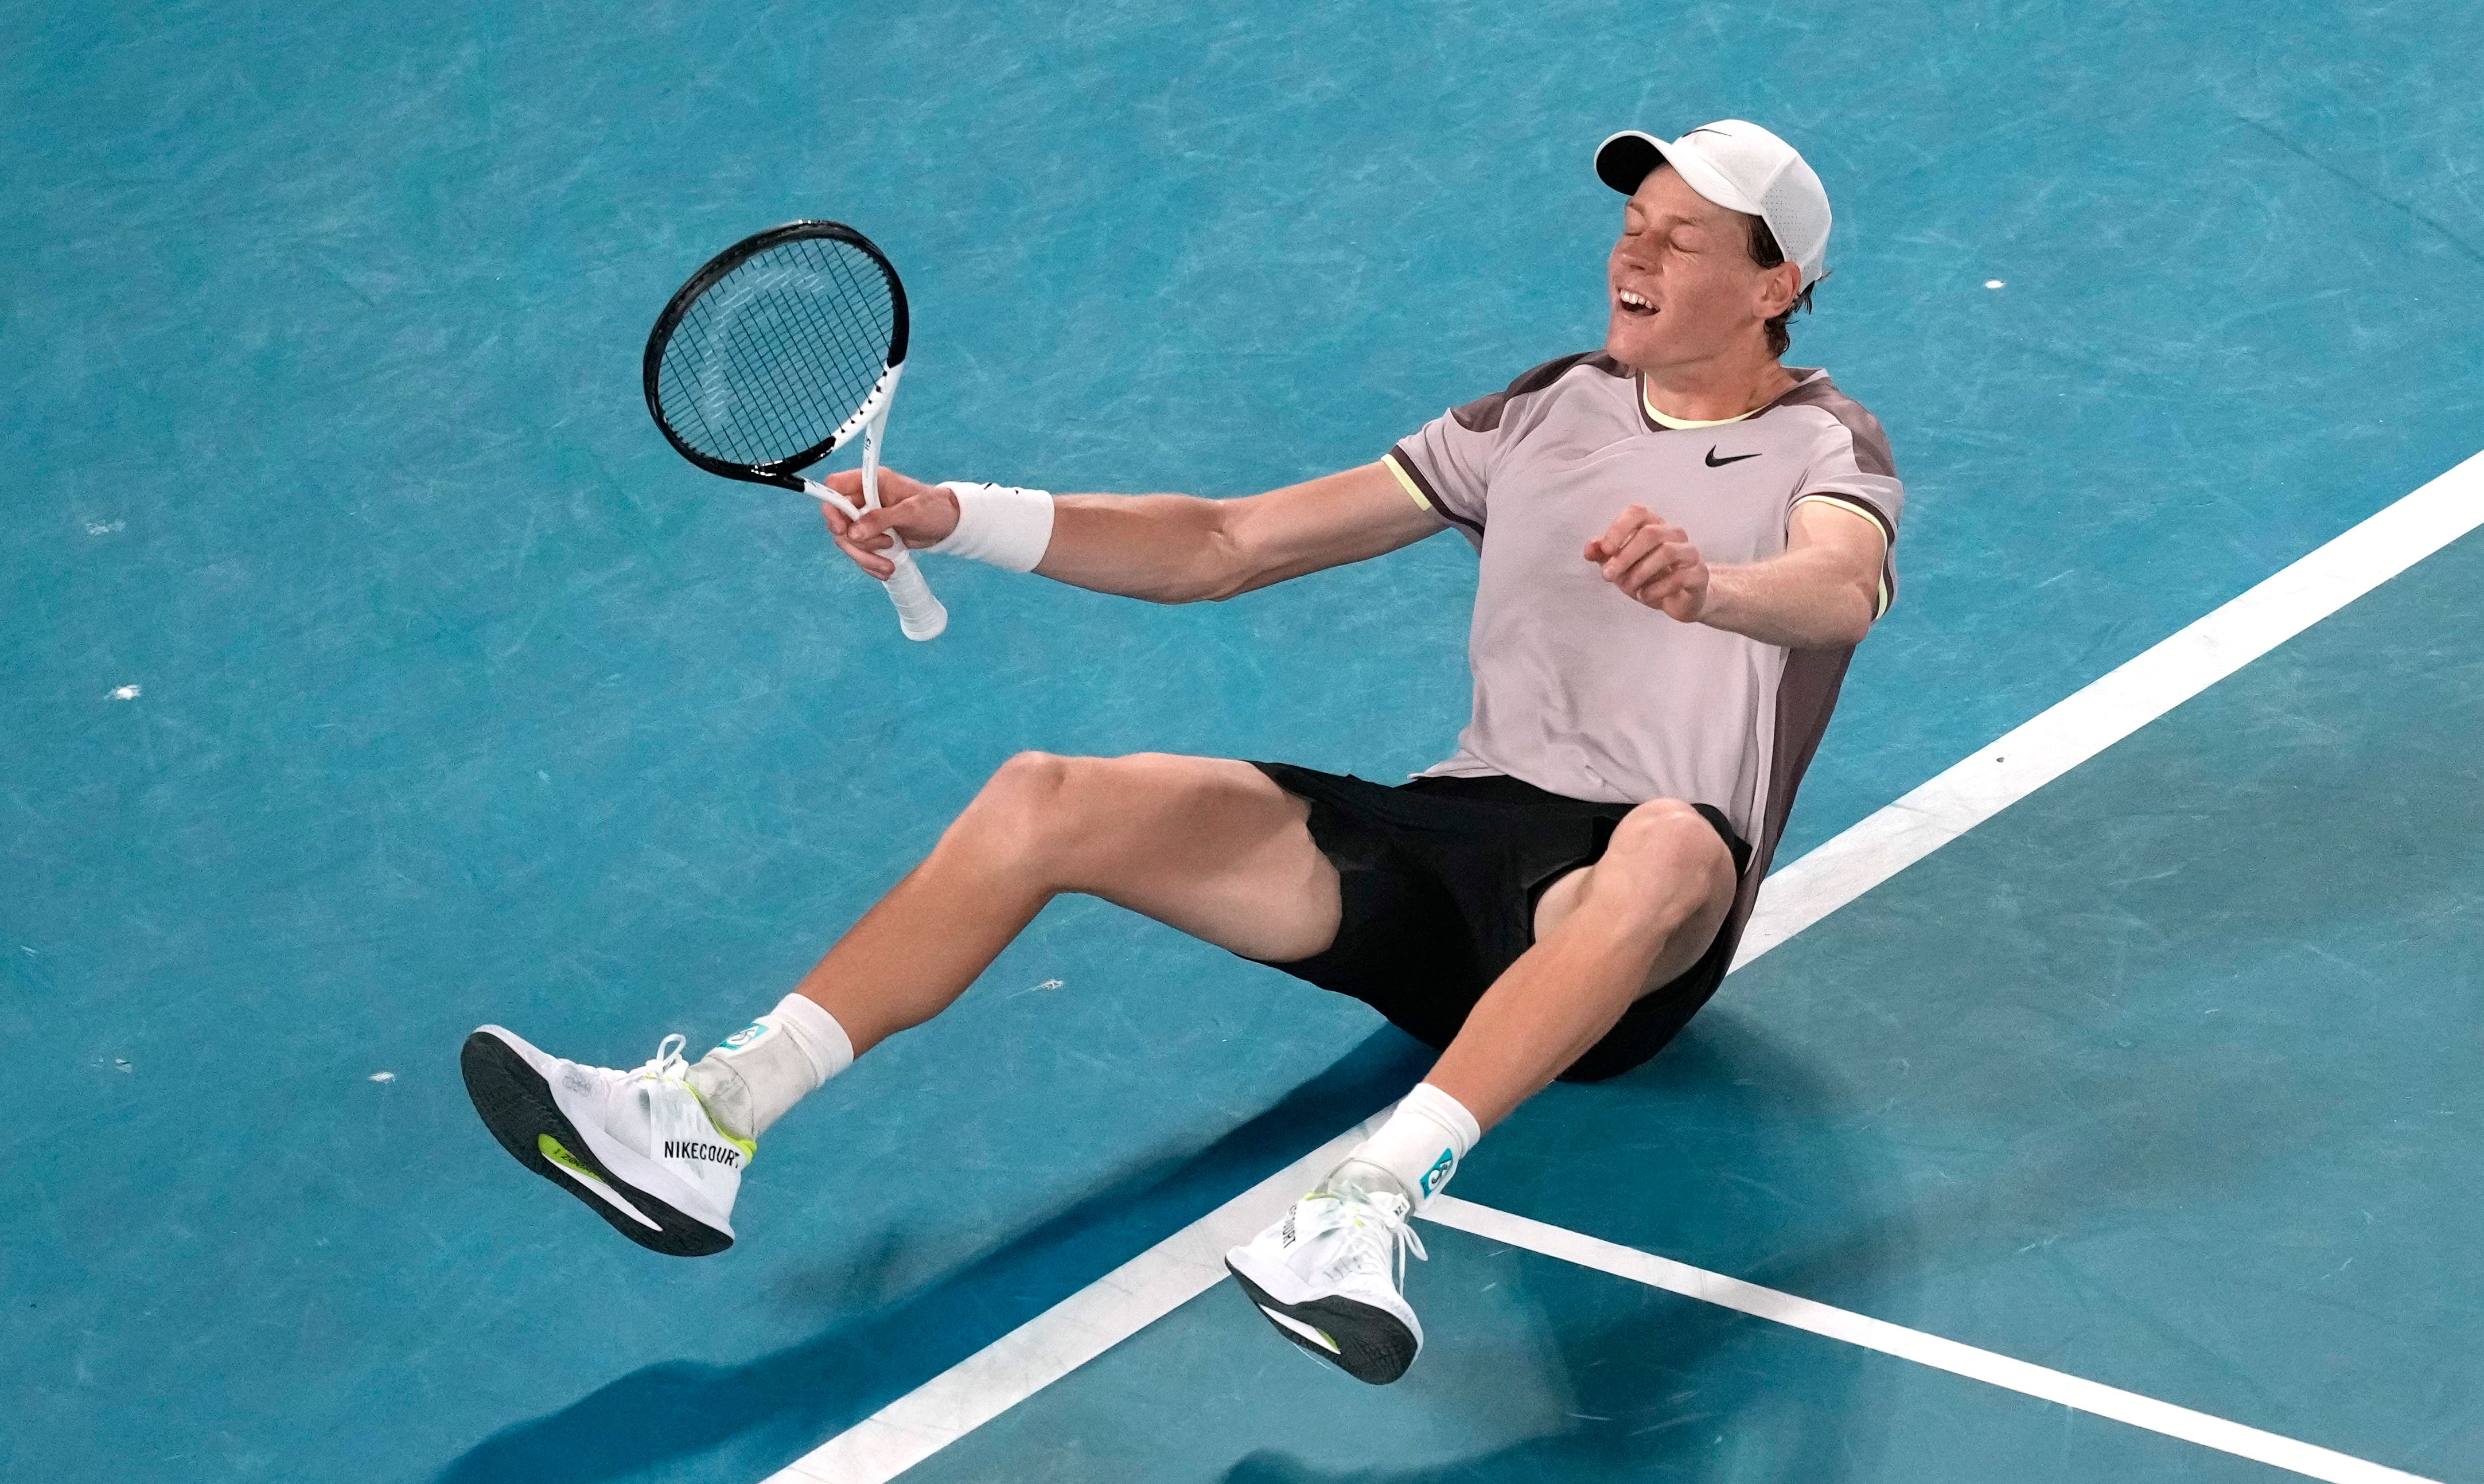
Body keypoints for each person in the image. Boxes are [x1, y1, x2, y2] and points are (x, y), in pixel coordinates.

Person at [461, 119, 1901, 1386]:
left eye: (1680, 238)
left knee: (1658, 846)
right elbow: (1228, 542)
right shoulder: (1542, 408)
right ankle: (709, 1119)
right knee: (1050, 799)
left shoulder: (1824, 443)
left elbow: (1839, 588)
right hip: (1454, 847)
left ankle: (1361, 1209)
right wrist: (958, 511)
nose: (1629, 256)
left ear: (1774, 287)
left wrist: (1706, 589)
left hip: (1640, 914)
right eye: (1627, 225)